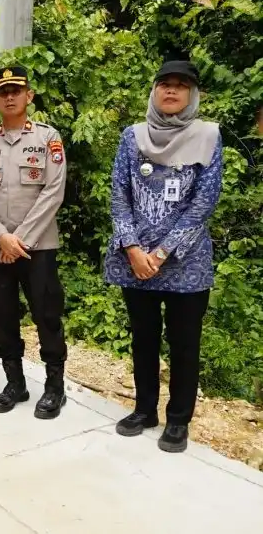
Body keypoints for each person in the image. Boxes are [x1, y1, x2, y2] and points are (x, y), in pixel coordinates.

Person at [104, 60, 223, 453]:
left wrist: (163, 251)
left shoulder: (207, 136)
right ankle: (144, 410)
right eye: (164, 85)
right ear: (153, 92)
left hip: (185, 264)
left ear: (192, 95)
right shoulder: (132, 136)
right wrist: (134, 249)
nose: (171, 92)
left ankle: (178, 420)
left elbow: (204, 201)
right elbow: (119, 193)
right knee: (143, 339)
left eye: (180, 86)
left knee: (185, 343)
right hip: (134, 260)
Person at [0, 66, 68, 419]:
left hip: (37, 247)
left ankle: (55, 387)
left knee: (47, 315)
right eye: (3, 91)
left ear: (29, 96)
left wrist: (18, 240)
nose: (10, 96)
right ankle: (15, 383)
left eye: (16, 90)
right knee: (3, 316)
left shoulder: (47, 137)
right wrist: (0, 238)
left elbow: (54, 191)